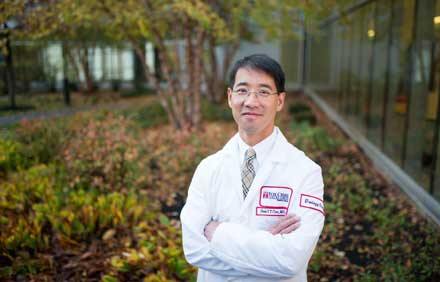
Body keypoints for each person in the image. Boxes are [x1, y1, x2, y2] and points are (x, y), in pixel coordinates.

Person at [180, 54, 325, 282]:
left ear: (280, 101)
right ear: (230, 97)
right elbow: (194, 249)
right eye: (243, 90)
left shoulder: (306, 171)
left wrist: (220, 234)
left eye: (264, 92)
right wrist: (265, 251)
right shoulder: (208, 168)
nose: (251, 101)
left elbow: (291, 260)